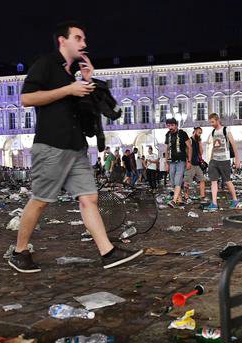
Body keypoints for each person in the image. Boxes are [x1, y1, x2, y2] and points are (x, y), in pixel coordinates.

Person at [9, 20, 143, 273]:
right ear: (63, 40)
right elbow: (27, 98)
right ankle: (19, 252)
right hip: (51, 145)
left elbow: (89, 109)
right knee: (40, 201)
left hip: (76, 146)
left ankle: (108, 252)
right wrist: (68, 89)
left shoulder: (74, 75)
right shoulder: (46, 63)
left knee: (89, 199)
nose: (84, 43)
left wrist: (87, 79)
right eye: (79, 38)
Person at [204, 113, 240, 210]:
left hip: (224, 160)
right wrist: (210, 159)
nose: (211, 124)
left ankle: (235, 200)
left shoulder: (225, 130)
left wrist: (237, 159)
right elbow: (214, 146)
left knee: (227, 181)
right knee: (213, 181)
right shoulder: (213, 132)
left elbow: (233, 144)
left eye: (212, 122)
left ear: (217, 120)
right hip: (214, 160)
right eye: (210, 122)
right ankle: (214, 203)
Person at [164, 117, 191, 208]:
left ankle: (173, 201)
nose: (170, 127)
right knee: (173, 182)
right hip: (171, 161)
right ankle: (179, 200)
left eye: (172, 125)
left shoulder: (182, 133)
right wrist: (166, 163)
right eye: (168, 125)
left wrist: (189, 161)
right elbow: (167, 149)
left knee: (177, 180)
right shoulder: (168, 134)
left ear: (176, 125)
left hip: (181, 161)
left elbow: (189, 147)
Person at [184, 127, 207, 202]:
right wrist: (187, 161)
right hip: (190, 164)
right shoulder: (189, 140)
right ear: (194, 132)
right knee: (187, 181)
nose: (200, 134)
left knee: (202, 180)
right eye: (199, 132)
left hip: (197, 164)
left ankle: (202, 196)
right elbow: (186, 151)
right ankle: (186, 196)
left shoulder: (198, 141)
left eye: (201, 133)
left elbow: (201, 153)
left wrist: (200, 143)